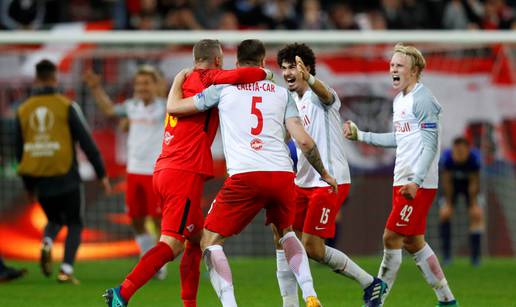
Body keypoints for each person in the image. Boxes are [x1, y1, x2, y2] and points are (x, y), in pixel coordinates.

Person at [167, 39, 336, 307]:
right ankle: (310, 293)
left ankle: (231, 304)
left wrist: (178, 82)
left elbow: (176, 108)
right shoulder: (281, 93)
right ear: (262, 63)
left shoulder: (221, 90)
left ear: (236, 64)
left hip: (245, 176)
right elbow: (304, 141)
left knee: (209, 240)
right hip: (281, 174)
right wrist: (324, 172)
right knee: (287, 232)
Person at [103, 39, 270, 307]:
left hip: (165, 168)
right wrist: (268, 72)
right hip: (184, 171)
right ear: (217, 61)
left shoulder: (184, 79)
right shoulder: (211, 77)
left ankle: (189, 303)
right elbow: (247, 73)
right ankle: (122, 293)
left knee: (195, 239)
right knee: (171, 243)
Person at [344, 43, 458, 307]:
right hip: (402, 179)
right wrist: (362, 135)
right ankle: (447, 300)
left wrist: (416, 181)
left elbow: (430, 144)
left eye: (399, 65)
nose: (393, 69)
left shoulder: (424, 99)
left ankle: (376, 300)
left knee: (391, 236)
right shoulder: (400, 100)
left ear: (415, 70)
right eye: (391, 65)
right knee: (414, 242)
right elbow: (400, 138)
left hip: (418, 182)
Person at [275, 43, 387, 307]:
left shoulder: (320, 97)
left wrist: (311, 79)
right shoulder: (290, 104)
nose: (288, 73)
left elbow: (327, 95)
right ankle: (289, 303)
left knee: (313, 248)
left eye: (294, 67)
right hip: (301, 182)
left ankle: (371, 283)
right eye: (285, 68)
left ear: (308, 68)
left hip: (329, 181)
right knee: (284, 239)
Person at [15, 59, 110, 284]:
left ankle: (47, 240)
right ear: (55, 77)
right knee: (75, 222)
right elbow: (88, 143)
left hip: (38, 177)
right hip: (66, 175)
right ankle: (66, 270)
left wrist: (28, 186)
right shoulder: (66, 106)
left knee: (53, 219)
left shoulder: (23, 110)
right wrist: (102, 174)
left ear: (36, 79)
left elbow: (20, 152)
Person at [84, 65, 167, 278]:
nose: (142, 87)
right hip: (134, 171)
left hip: (155, 171)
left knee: (158, 220)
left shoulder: (165, 107)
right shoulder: (131, 107)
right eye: (139, 83)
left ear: (156, 85)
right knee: (136, 218)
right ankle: (147, 259)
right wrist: (96, 89)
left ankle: (159, 264)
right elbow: (110, 110)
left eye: (146, 83)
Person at [439, 136, 483, 266]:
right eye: (456, 152)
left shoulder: (474, 159)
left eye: (462, 152)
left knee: (477, 215)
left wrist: (474, 203)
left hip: (469, 186)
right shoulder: (447, 159)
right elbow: (446, 182)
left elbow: (475, 182)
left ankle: (475, 258)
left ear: (468, 150)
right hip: (452, 186)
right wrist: (448, 203)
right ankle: (447, 256)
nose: (459, 154)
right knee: (445, 214)